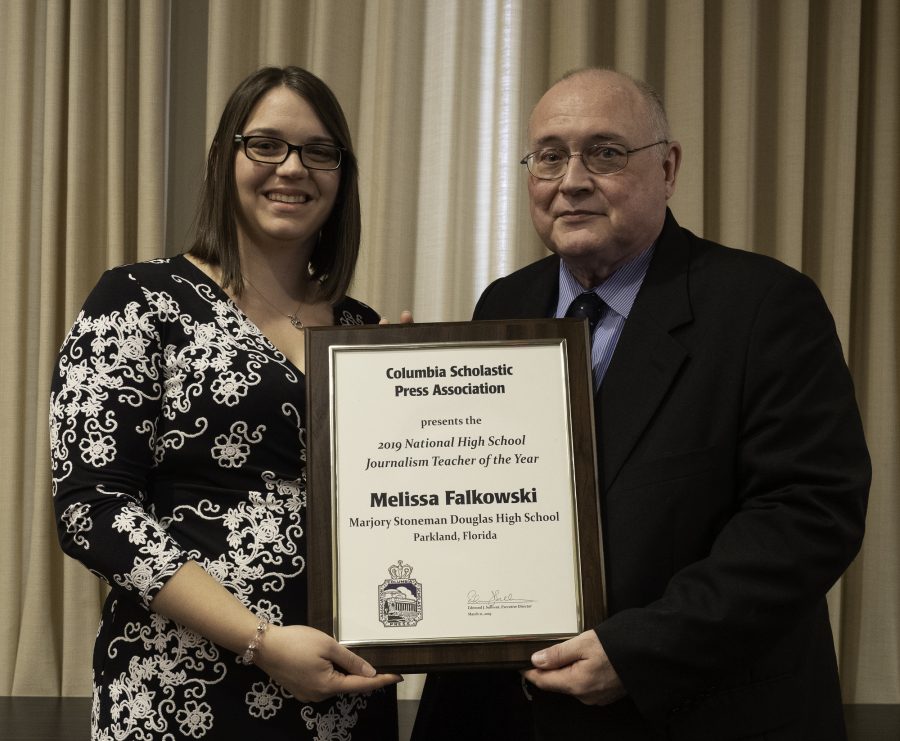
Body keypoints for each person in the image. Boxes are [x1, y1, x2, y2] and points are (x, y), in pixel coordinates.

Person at [412, 68, 870, 740]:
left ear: (669, 167)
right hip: (511, 713)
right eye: (549, 155)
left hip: (695, 710)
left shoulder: (764, 306)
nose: (571, 180)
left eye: (605, 152)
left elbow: (809, 514)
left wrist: (640, 649)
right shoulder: (504, 304)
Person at [49, 66, 403, 739]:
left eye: (318, 151)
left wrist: (416, 398)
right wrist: (261, 639)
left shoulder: (363, 330)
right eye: (265, 144)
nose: (292, 168)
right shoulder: (138, 300)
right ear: (223, 160)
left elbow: (390, 508)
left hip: (342, 697)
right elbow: (91, 510)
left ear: (342, 173)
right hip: (179, 693)